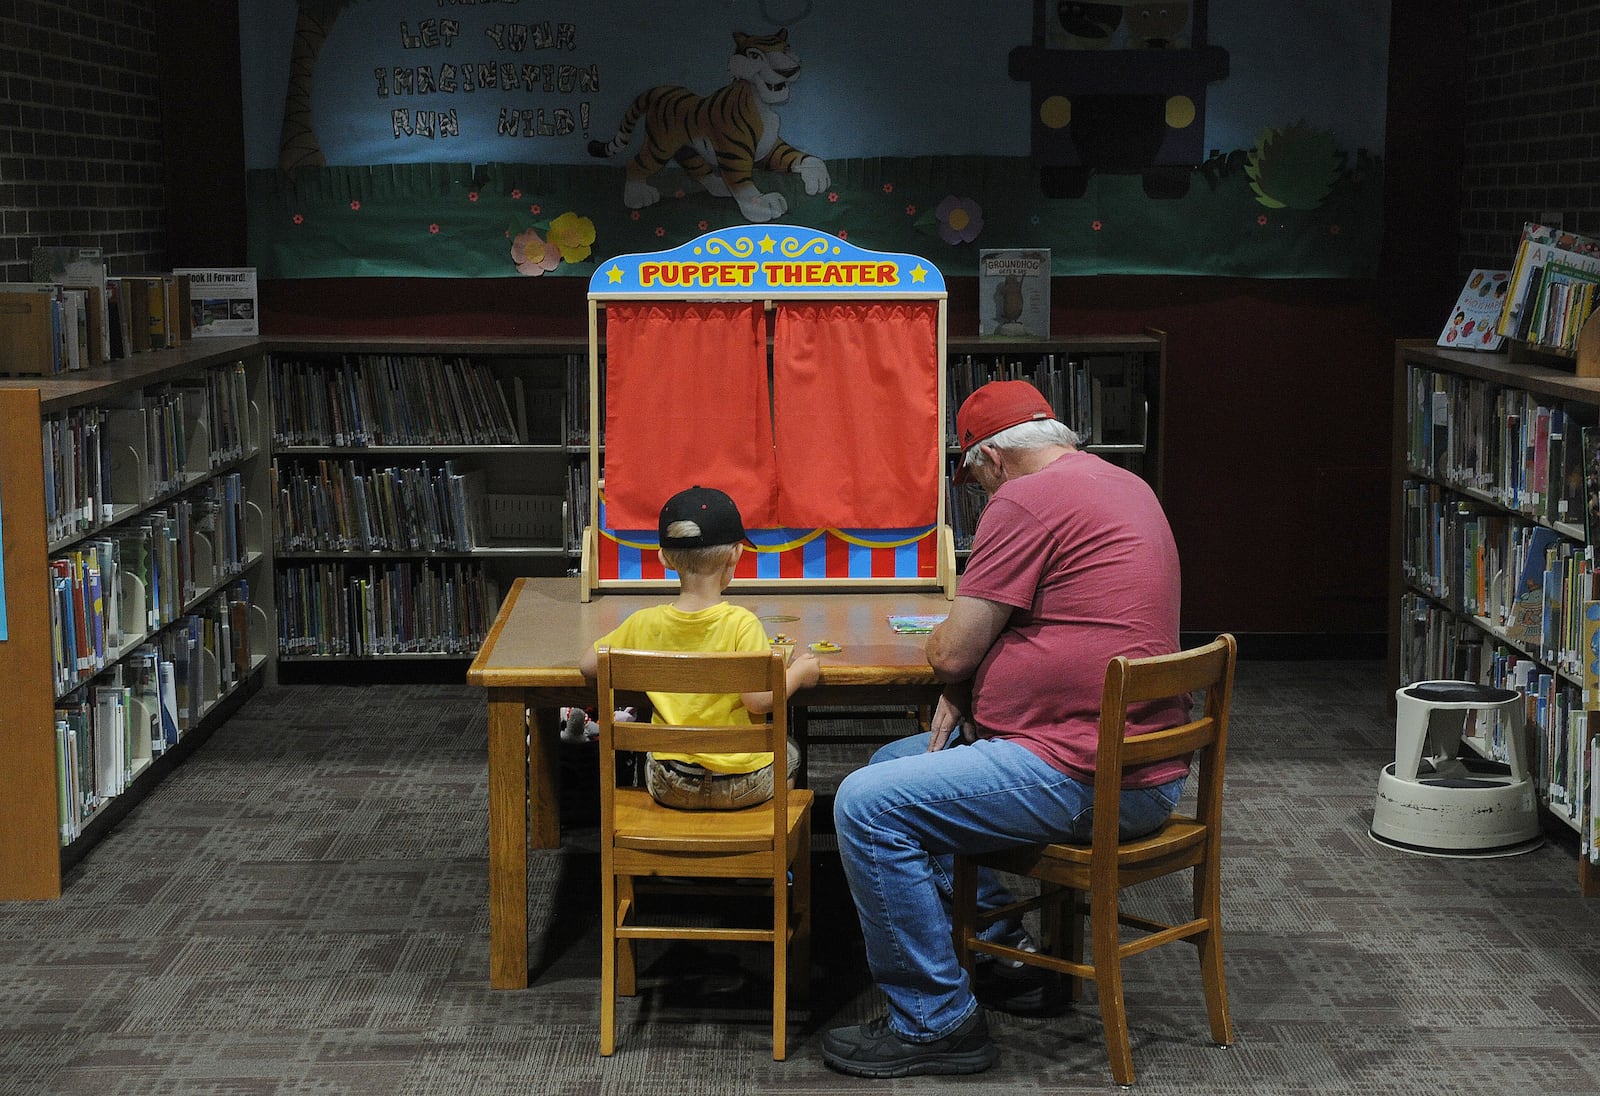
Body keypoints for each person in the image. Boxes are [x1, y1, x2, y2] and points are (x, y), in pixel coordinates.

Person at [821, 380, 1189, 1078]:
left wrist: (959, 678)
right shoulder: (1123, 483)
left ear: (991, 458)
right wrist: (973, 690)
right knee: (893, 763)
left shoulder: (1025, 500)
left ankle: (937, 1024)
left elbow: (950, 649)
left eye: (974, 477)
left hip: (1078, 768)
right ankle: (998, 950)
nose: (979, 491)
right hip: (1135, 760)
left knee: (866, 804)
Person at [578, 485, 820, 809]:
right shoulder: (742, 623)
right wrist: (800, 673)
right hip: (739, 784)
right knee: (789, 753)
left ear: (663, 558)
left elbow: (588, 665)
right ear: (736, 553)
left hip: (670, 785)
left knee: (650, 759)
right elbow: (761, 702)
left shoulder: (643, 623)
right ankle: (766, 833)